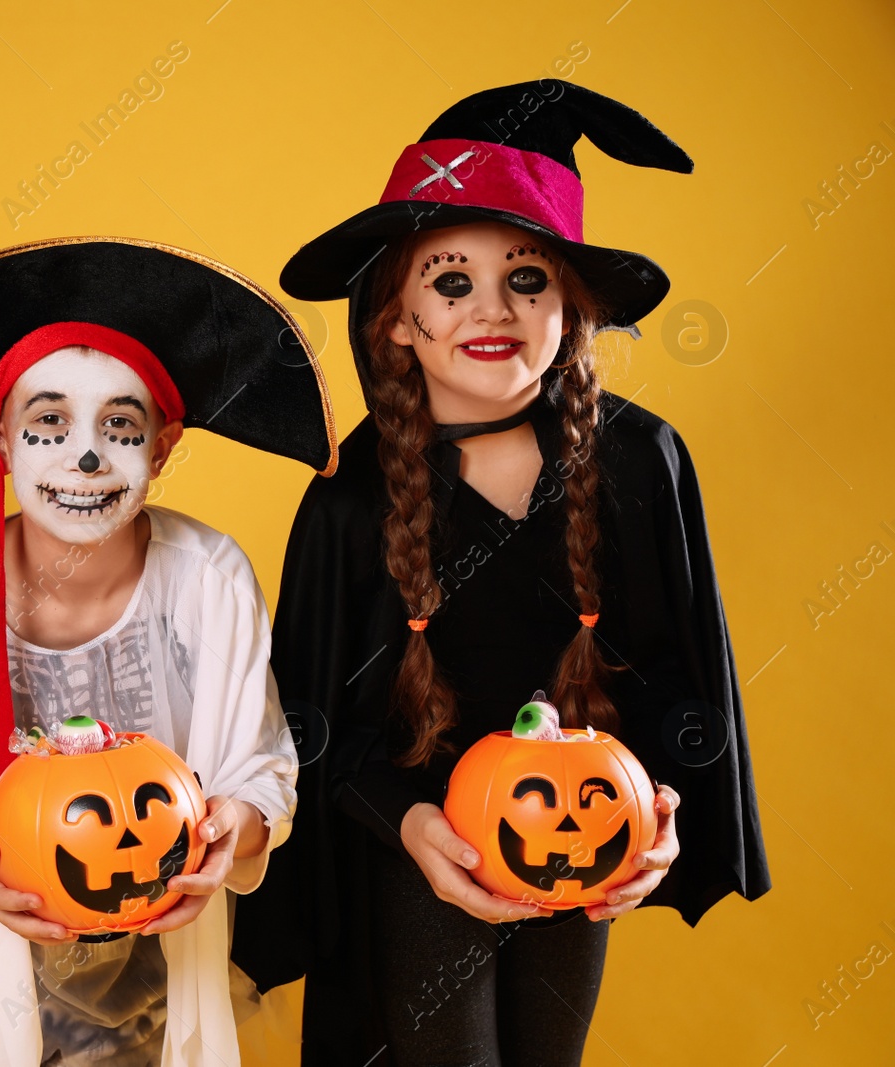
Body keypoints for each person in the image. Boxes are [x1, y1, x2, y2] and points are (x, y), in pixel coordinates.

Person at [231, 83, 770, 1066]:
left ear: (571, 305)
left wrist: (655, 803)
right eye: (450, 281)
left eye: (526, 278)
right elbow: (308, 723)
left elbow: (671, 675)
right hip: (413, 848)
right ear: (393, 318)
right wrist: (411, 823)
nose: (494, 308)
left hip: (574, 829)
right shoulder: (349, 501)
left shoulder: (640, 463)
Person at [0, 237, 337, 1066]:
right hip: (20, 940)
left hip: (173, 929)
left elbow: (262, 762)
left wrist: (238, 824)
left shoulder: (209, 583)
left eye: (119, 426)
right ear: (0, 441)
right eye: (49, 423)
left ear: (164, 445)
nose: (85, 458)